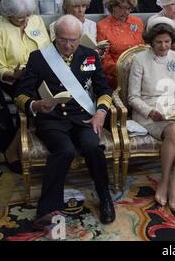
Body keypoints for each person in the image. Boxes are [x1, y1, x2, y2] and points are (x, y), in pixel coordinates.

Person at [15, 15, 116, 229]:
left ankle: (105, 198)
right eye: (63, 40)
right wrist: (35, 105)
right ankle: (46, 210)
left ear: (80, 38)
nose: (68, 45)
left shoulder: (89, 56)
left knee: (93, 146)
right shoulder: (39, 57)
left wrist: (100, 113)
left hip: (83, 117)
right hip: (52, 119)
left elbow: (103, 90)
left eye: (73, 40)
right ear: (54, 36)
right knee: (65, 150)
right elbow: (20, 94)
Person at [128, 17, 175, 213]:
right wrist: (151, 112)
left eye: (167, 41)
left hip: (173, 108)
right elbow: (133, 97)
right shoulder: (140, 60)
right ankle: (164, 181)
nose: (164, 46)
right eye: (159, 42)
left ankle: (174, 185)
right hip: (148, 110)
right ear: (150, 41)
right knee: (174, 132)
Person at [0, 0, 51, 97]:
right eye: (20, 18)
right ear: (8, 14)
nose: (26, 21)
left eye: (28, 15)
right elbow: (0, 68)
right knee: (32, 95)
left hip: (42, 75)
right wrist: (13, 75)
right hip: (16, 81)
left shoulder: (36, 20)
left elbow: (49, 51)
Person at [97, 0, 145, 89]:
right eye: (123, 8)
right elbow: (104, 59)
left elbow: (144, 48)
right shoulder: (102, 26)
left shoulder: (137, 22)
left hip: (140, 73)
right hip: (116, 78)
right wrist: (124, 71)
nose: (127, 12)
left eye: (129, 8)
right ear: (112, 6)